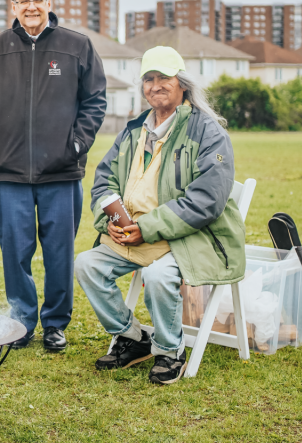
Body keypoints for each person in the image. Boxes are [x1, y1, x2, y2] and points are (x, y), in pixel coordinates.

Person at [74, 46, 246, 385]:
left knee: (156, 277)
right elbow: (104, 179)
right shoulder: (134, 130)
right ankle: (133, 339)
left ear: (181, 83)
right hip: (133, 233)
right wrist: (111, 219)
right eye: (149, 79)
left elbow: (207, 201)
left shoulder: (208, 132)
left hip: (188, 238)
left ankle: (171, 351)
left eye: (164, 78)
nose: (156, 85)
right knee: (86, 265)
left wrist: (147, 228)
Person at [0, 0, 107, 351]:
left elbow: (95, 101)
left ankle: (56, 323)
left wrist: (76, 146)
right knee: (15, 251)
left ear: (49, 2)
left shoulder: (77, 46)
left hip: (61, 173)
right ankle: (22, 321)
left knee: (60, 252)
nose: (31, 6)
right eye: (23, 0)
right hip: (9, 173)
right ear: (13, 6)